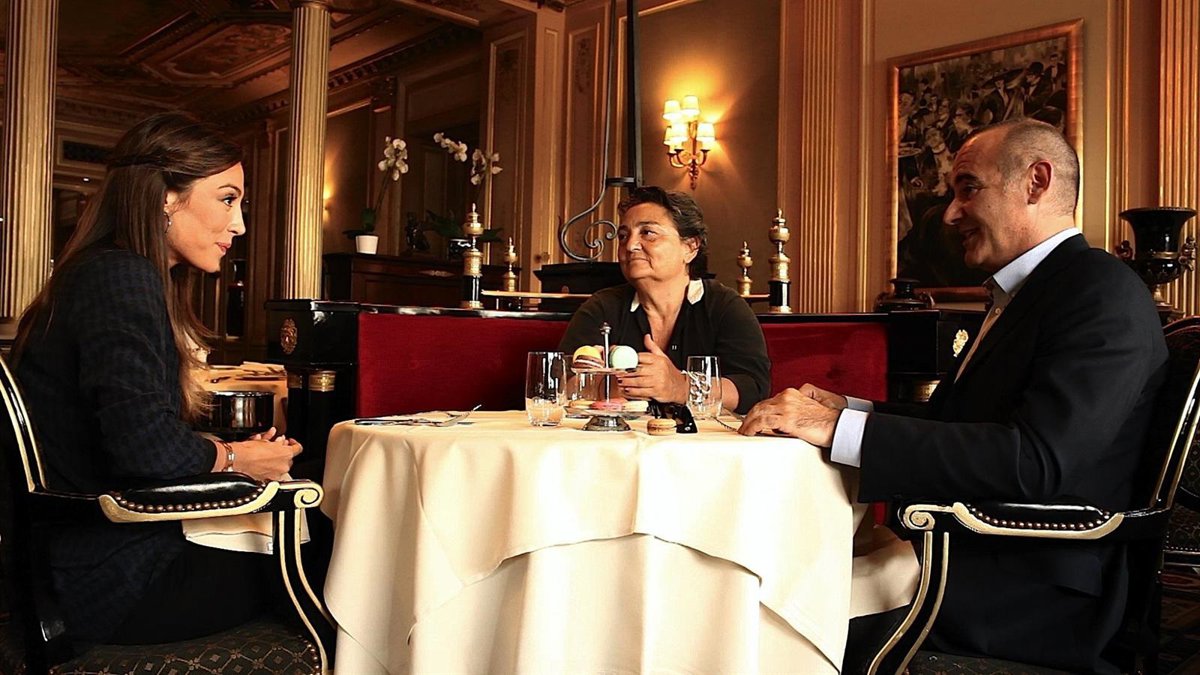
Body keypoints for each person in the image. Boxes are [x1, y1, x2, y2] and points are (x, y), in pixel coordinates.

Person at [741, 119, 1167, 672]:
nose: (949, 214)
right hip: (971, 553)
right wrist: (847, 410)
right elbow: (962, 423)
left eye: (968, 188)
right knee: (757, 571)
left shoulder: (1100, 292)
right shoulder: (1031, 292)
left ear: (1036, 182)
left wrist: (840, 431)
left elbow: (1036, 462)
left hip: (1035, 588)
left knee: (762, 610)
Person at [11, 111, 302, 647]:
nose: (239, 225)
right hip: (115, 581)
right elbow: (143, 449)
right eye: (227, 199)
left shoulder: (100, 270)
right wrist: (236, 459)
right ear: (167, 197)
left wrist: (230, 453)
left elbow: (133, 432)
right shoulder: (121, 275)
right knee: (338, 542)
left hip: (90, 562)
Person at [558, 186, 770, 414]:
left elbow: (752, 388)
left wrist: (680, 387)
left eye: (648, 232)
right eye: (623, 236)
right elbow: (560, 383)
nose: (630, 245)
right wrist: (612, 386)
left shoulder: (724, 306)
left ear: (690, 247)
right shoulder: (601, 307)